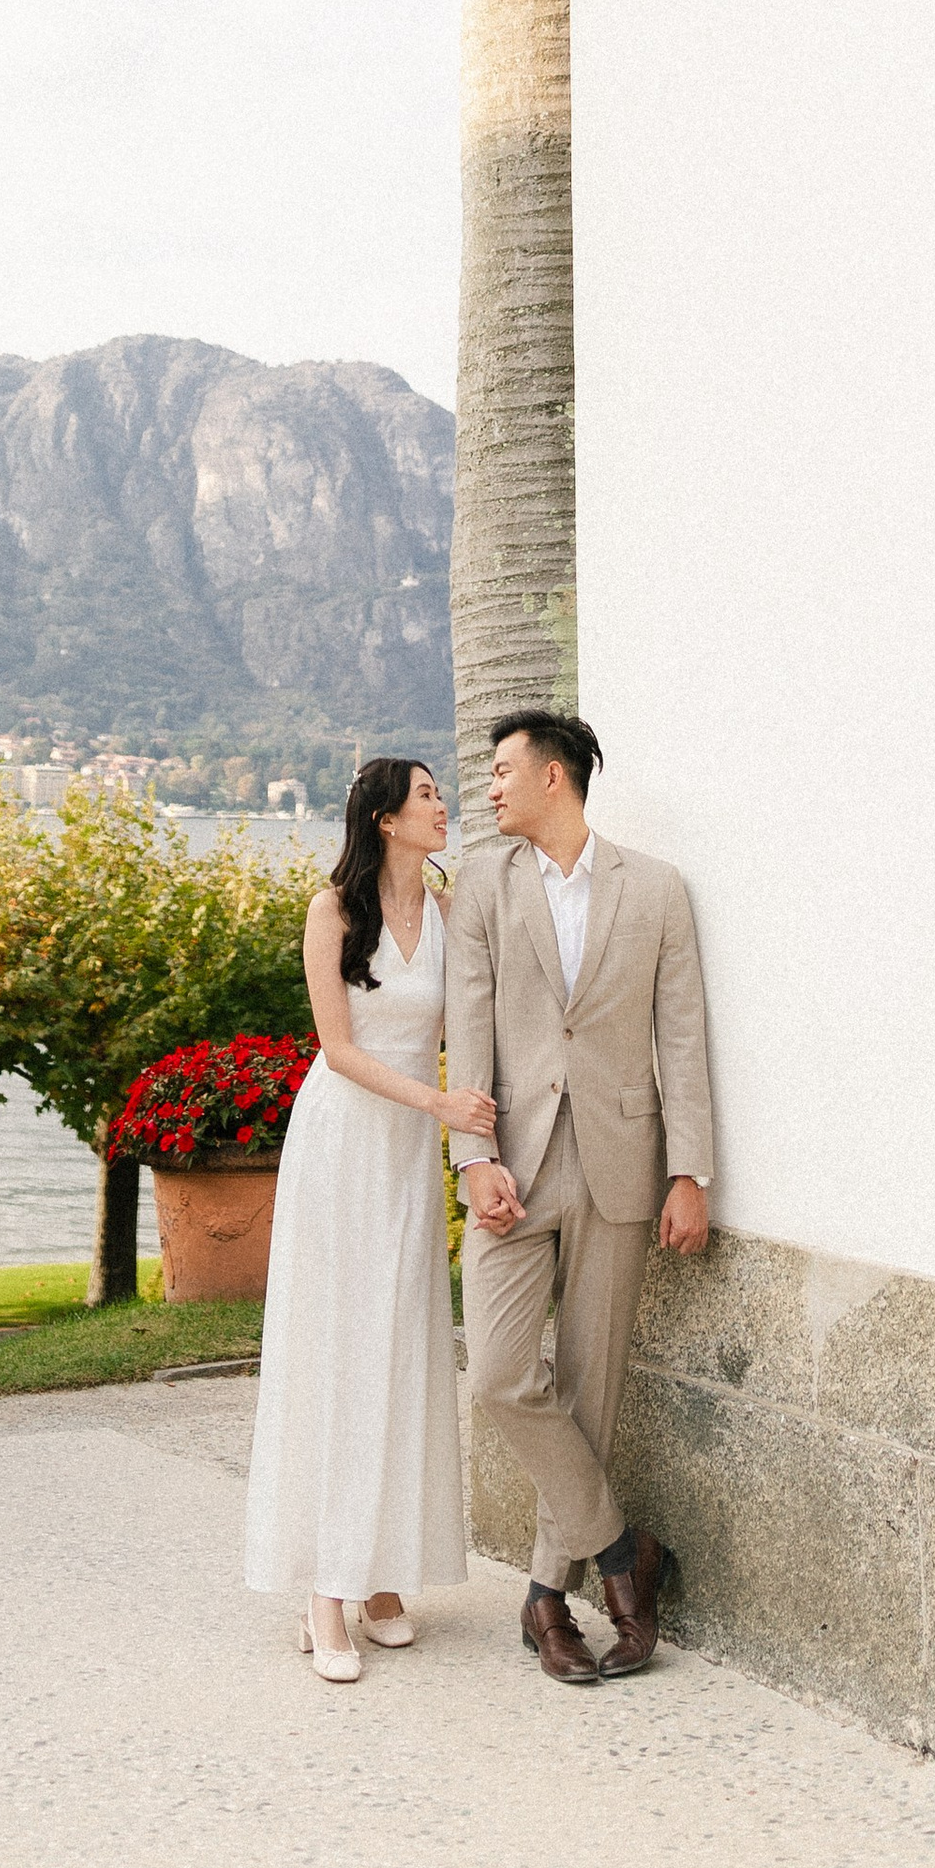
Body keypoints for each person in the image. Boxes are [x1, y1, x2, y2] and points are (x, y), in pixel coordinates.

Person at [448, 711, 714, 1686]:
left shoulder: (655, 889)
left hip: (618, 1164)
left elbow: (679, 1036)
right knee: (501, 1374)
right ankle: (621, 1555)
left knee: (589, 1391)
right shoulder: (482, 884)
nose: (490, 788)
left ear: (555, 777)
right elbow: (465, 1024)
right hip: (512, 1168)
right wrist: (471, 1155)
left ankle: (544, 1601)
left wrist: (688, 1171)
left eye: (505, 770)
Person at [244, 757, 495, 1681]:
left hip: (405, 1159)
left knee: (402, 1346)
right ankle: (324, 1593)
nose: (443, 807)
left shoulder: (453, 907)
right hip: (346, 1142)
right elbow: (337, 1050)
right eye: (428, 795)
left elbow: (466, 1020)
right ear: (386, 818)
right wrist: (441, 1107)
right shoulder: (332, 912)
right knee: (341, 1348)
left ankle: (385, 1571)